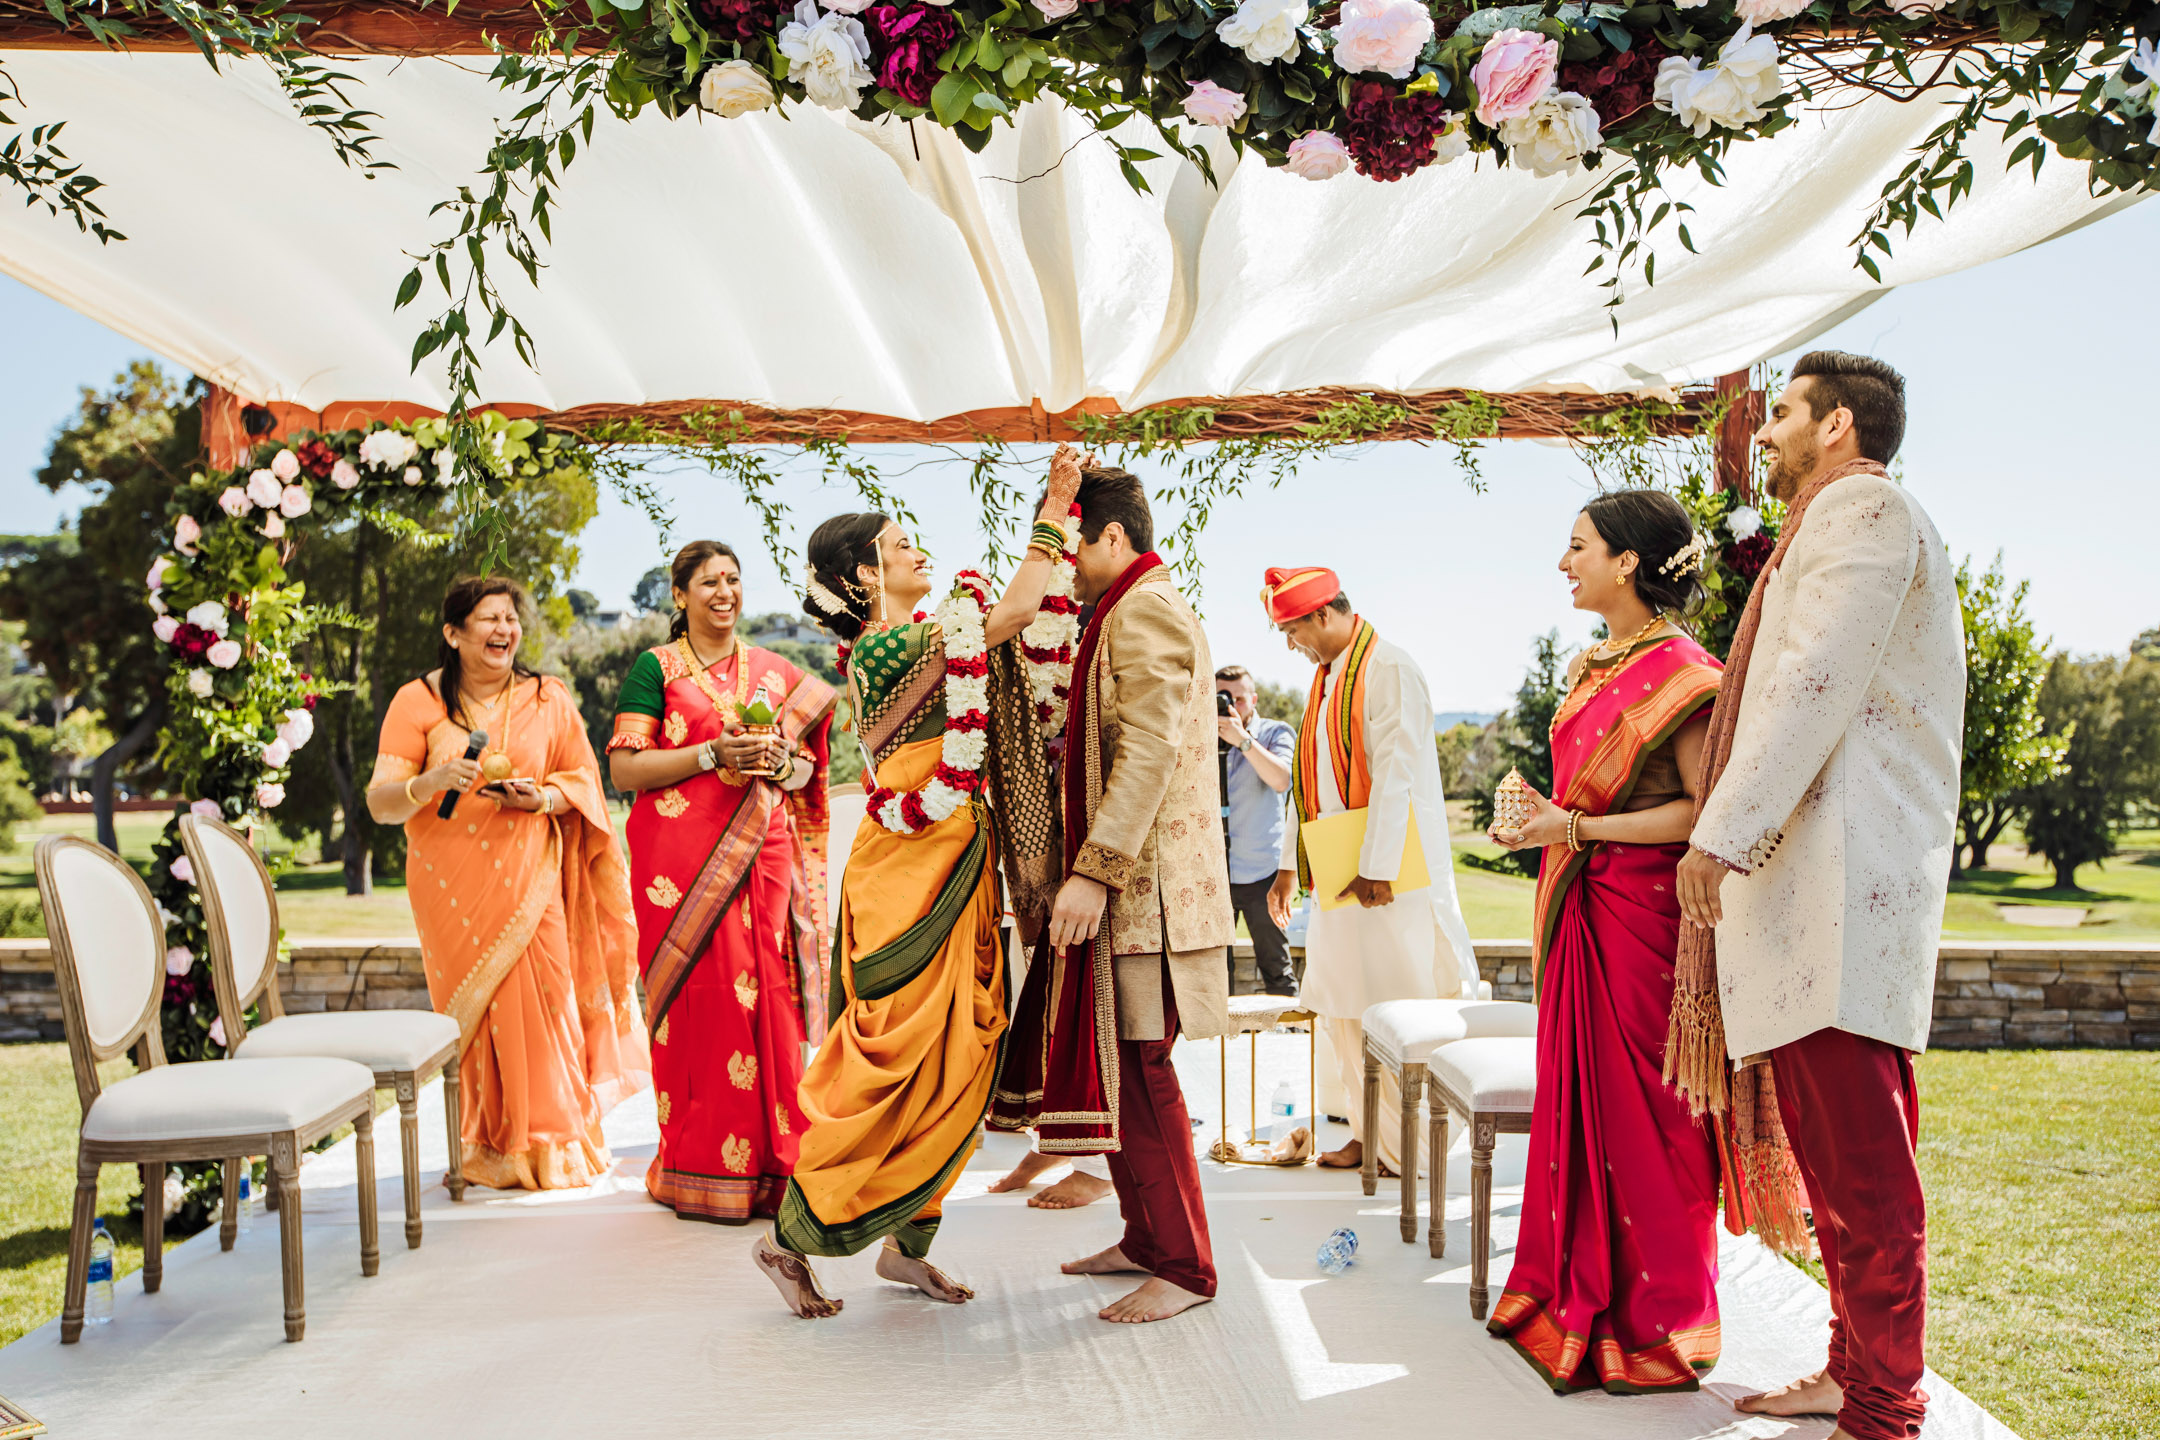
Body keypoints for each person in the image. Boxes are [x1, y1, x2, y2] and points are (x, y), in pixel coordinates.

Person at [1674, 352, 1962, 1440]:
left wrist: (1723, 835)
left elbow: (1808, 685)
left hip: (1842, 895)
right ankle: (1854, 1371)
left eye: (1786, 412)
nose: (1771, 431)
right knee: (1840, 1177)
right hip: (1816, 901)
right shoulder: (1833, 523)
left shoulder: (1862, 516)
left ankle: (1885, 1409)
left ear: (1839, 426)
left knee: (1866, 1181)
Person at [752, 447, 1085, 1318]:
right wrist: (1055, 507)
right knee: (894, 1064)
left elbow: (993, 626)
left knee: (958, 1059)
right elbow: (1013, 610)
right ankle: (787, 1241)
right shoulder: (892, 644)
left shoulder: (927, 631)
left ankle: (906, 1251)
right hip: (908, 875)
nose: (915, 552)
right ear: (867, 575)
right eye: (899, 545)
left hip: (958, 864)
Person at [1483, 491, 1728, 1392]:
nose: (1564, 562)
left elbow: (1702, 815)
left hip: (1643, 923)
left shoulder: (1686, 674)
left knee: (1650, 1120)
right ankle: (1568, 1292)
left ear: (1627, 562)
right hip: (1582, 909)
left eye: (1577, 546)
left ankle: (1658, 1326)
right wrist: (1547, 826)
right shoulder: (1595, 662)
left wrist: (1573, 832)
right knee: (1580, 1107)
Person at [992, 467, 1235, 1325]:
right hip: (1131, 893)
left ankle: (1187, 1267)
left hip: (1145, 896)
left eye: (1073, 545)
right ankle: (1143, 1239)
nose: (1067, 569)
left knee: (1143, 1073)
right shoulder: (1123, 610)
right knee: (1121, 1075)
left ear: (1112, 537)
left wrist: (1093, 871)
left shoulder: (1146, 612)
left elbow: (1151, 751)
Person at [366, 576, 648, 1191]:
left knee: (547, 999)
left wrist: (542, 797)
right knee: (475, 1014)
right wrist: (431, 780)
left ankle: (552, 1146)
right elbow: (381, 805)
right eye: (489, 619)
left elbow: (583, 779)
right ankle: (487, 1147)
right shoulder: (418, 702)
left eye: (511, 618)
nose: (504, 630)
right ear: (454, 633)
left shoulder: (549, 698)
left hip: (533, 871)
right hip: (449, 885)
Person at [608, 540, 835, 1225]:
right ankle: (702, 1168)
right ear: (679, 597)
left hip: (762, 860)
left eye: (733, 580)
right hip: (680, 877)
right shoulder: (657, 670)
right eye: (708, 582)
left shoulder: (771, 673)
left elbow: (806, 770)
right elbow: (625, 771)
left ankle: (776, 1167)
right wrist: (712, 753)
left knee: (770, 998)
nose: (724, 593)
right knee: (704, 1007)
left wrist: (781, 762)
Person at [1262, 569, 1478, 1174]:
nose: (1291, 644)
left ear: (1325, 615)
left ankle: (1406, 1144)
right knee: (1342, 1007)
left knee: (1396, 1004)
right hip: (1337, 871)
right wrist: (1288, 867)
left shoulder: (1390, 669)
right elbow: (1306, 785)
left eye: (1293, 629)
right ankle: (1367, 1132)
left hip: (1392, 880)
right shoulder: (1326, 681)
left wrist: (1377, 868)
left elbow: (1396, 774)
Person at [1216, 665, 1297, 996]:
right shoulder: (1200, 735)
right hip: (1216, 873)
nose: (1234, 705)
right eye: (1224, 698)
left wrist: (1242, 741)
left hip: (1264, 873)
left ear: (1254, 698)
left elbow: (1281, 780)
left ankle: (1290, 1039)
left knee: (1276, 968)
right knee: (1213, 970)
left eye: (1240, 698)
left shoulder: (1275, 732)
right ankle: (1219, 1043)